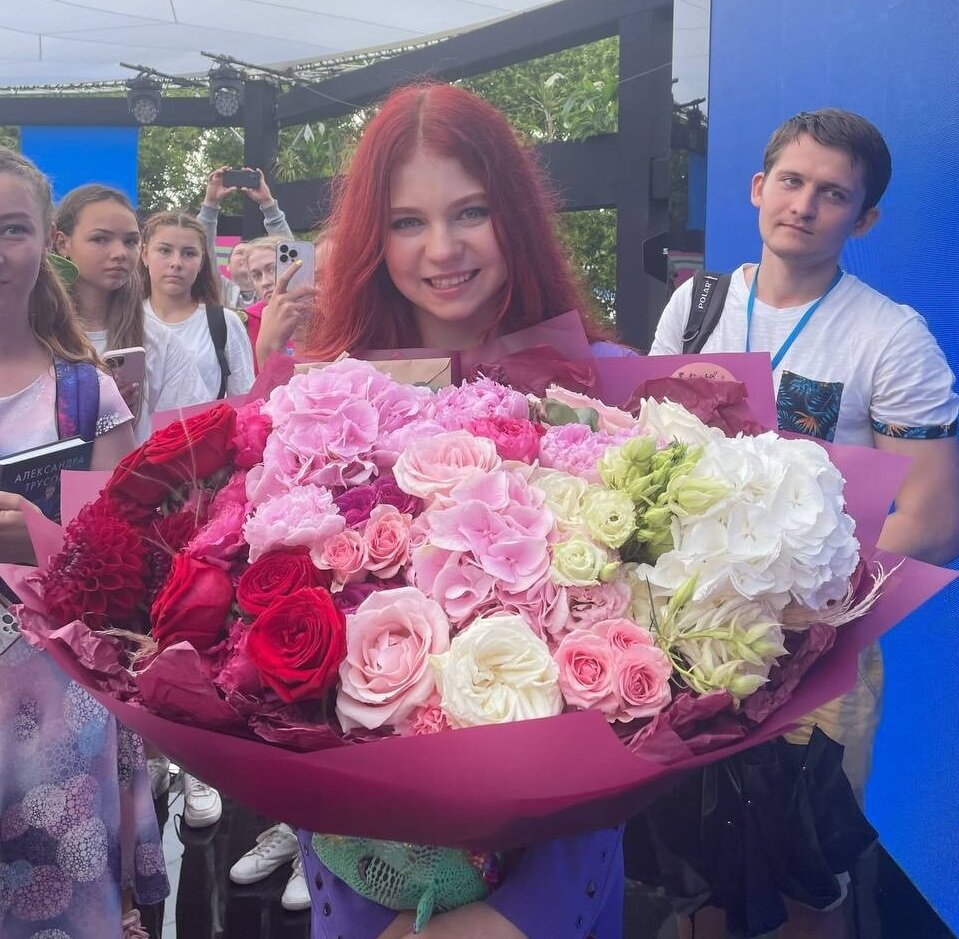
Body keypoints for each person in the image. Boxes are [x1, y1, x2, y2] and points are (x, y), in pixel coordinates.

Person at [299, 82, 628, 939]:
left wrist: (521, 912)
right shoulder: (321, 407)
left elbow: (637, 696)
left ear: (514, 214)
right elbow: (280, 699)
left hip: (554, 894)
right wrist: (373, 906)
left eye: (470, 212)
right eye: (407, 221)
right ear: (372, 238)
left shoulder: (603, 397)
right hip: (368, 891)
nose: (442, 249)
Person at [646, 108, 959, 937]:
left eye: (832, 193)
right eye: (790, 181)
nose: (804, 205)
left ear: (864, 218)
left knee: (807, 877)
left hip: (820, 652)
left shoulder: (890, 338)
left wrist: (801, 614)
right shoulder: (695, 306)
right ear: (758, 187)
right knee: (692, 867)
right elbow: (651, 452)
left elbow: (934, 521)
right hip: (689, 639)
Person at [0, 146, 169, 938]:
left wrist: (42, 538)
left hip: (57, 711)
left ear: (46, 242)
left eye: (12, 228)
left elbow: (128, 561)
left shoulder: (84, 393)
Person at [54, 185, 207, 443]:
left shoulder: (160, 342)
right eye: (100, 239)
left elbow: (186, 438)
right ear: (61, 243)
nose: (120, 253)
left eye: (131, 241)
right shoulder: (31, 336)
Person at [140, 210, 255, 401]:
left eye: (189, 253)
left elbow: (243, 400)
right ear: (145, 255)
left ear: (201, 261)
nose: (176, 263)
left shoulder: (225, 322)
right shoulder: (126, 320)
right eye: (165, 251)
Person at [198, 166, 293, 308]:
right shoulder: (220, 289)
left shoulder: (275, 290)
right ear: (227, 267)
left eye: (270, 268)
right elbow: (202, 250)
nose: (245, 256)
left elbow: (289, 252)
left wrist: (268, 203)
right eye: (239, 253)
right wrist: (210, 204)